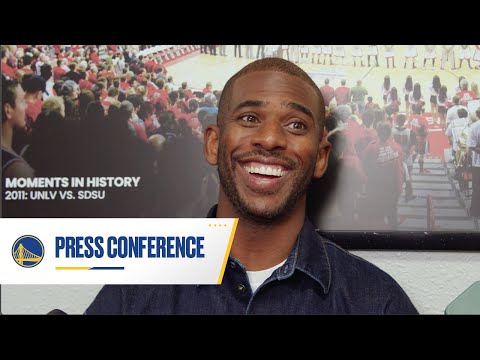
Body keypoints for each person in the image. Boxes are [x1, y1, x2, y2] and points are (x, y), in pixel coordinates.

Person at [84, 58, 418, 315]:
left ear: (320, 158)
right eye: (249, 118)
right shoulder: (133, 291)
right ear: (214, 143)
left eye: (296, 124)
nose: (270, 139)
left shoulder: (377, 301)